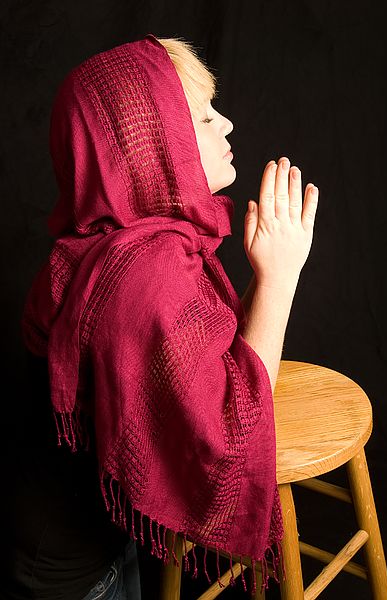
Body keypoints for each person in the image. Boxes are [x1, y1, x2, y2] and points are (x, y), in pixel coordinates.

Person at [9, 33, 319, 599]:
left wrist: (265, 272)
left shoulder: (126, 245)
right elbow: (231, 434)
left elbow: (214, 368)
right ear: (150, 146)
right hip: (66, 577)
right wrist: (280, 277)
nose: (227, 125)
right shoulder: (144, 278)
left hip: (97, 534)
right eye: (202, 118)